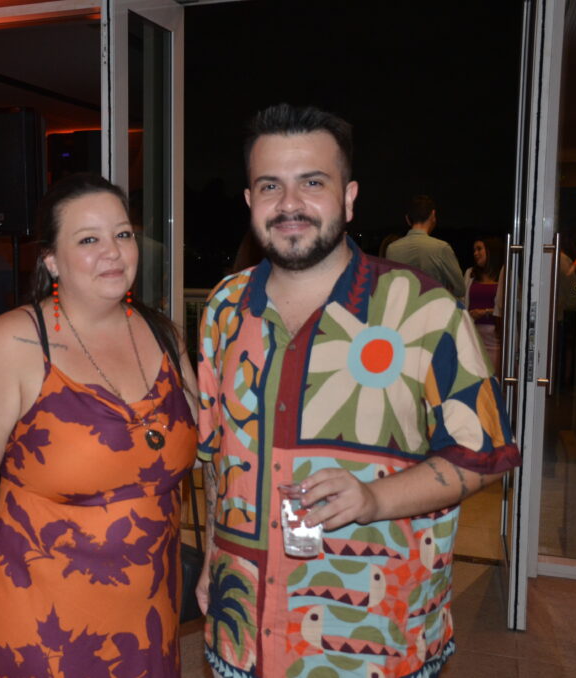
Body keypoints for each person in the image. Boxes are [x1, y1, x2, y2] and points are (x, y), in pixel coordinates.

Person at [194, 104, 520, 678]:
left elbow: (485, 457)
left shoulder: (423, 309)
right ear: (250, 203)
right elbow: (221, 456)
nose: (290, 204)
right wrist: (212, 559)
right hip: (243, 635)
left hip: (375, 641)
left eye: (312, 183)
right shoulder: (223, 308)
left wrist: (374, 500)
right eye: (271, 186)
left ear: (348, 197)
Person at [0, 174, 198, 677]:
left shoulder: (163, 333)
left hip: (149, 610)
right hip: (43, 615)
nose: (113, 252)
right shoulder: (13, 343)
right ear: (52, 261)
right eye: (88, 240)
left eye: (122, 235)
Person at [385, 195, 465, 298]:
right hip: (434, 310)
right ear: (433, 215)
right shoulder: (441, 248)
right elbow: (460, 289)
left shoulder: (392, 249)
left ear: (407, 219)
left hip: (405, 312)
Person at [462, 237, 503, 374]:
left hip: (496, 339)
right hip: (474, 336)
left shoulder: (503, 276)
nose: (475, 253)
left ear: (491, 251)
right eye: (474, 250)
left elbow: (509, 306)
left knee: (494, 379)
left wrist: (486, 312)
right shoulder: (470, 274)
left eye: (479, 249)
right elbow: (463, 301)